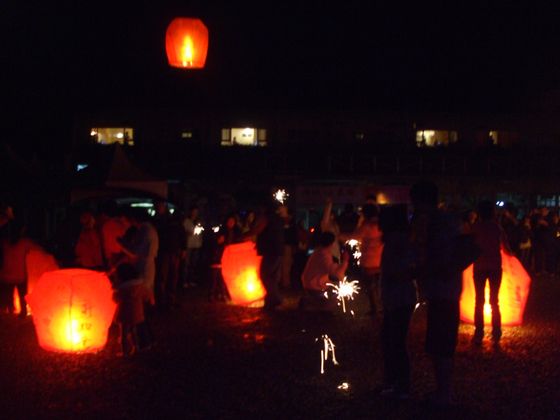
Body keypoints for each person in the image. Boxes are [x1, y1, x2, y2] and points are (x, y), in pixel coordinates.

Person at [410, 180, 462, 408]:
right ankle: (444, 391)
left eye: (415, 203)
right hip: (448, 291)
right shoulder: (446, 221)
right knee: (443, 345)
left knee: (440, 346)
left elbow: (440, 259)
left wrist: (419, 271)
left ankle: (444, 395)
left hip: (442, 292)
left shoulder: (437, 224)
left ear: (421, 201)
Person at [377, 205, 417, 400]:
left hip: (400, 298)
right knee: (389, 340)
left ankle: (402, 386)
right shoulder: (397, 239)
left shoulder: (399, 240)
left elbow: (407, 268)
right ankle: (392, 381)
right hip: (394, 298)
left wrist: (395, 274)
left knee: (396, 342)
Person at [471, 200, 512, 345]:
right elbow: (507, 249)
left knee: (479, 301)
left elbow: (469, 247)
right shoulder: (497, 228)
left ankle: (479, 333)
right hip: (495, 267)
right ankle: (496, 332)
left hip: (479, 267)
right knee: (494, 301)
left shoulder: (475, 228)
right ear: (493, 213)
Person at [339, 203, 384, 315]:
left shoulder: (366, 226)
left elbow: (353, 236)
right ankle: (384, 306)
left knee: (371, 286)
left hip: (369, 260)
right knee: (381, 285)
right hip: (382, 258)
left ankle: (374, 308)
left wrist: (338, 236)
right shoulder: (382, 224)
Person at [241, 199, 285, 311]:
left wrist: (243, 236)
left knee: (265, 276)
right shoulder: (279, 219)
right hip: (278, 250)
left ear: (264, 207)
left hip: (270, 251)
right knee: (272, 277)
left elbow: (257, 229)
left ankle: (276, 300)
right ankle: (270, 303)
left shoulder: (266, 217)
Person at [0, 218, 43, 317]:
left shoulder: (4, 242)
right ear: (22, 230)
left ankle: (10, 314)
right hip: (20, 276)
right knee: (22, 296)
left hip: (6, 275)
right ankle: (22, 314)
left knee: (8, 298)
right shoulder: (24, 242)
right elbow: (38, 250)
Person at [112, 263, 155, 356]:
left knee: (124, 334)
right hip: (136, 314)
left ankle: (124, 352)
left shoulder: (120, 288)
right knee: (134, 331)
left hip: (124, 314)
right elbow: (147, 296)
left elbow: (115, 300)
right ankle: (137, 348)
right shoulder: (139, 286)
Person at [299, 231, 349, 311]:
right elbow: (336, 273)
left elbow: (328, 267)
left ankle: (317, 302)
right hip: (313, 285)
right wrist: (345, 260)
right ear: (332, 243)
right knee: (336, 294)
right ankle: (308, 301)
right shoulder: (323, 255)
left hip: (313, 281)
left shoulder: (319, 251)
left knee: (335, 288)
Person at [183, 206, 203, 287]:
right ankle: (185, 281)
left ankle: (191, 280)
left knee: (193, 264)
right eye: (193, 211)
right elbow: (183, 232)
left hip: (197, 245)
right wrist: (189, 234)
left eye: (196, 211)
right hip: (189, 244)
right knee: (186, 264)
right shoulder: (187, 221)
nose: (195, 213)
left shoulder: (198, 222)